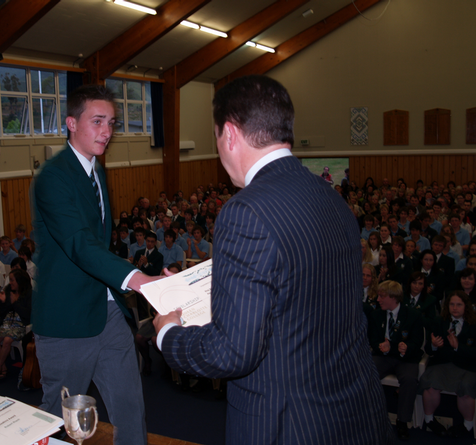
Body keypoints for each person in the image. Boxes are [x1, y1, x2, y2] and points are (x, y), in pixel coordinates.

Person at [153, 76, 393, 444]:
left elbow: (232, 353)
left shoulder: (246, 210)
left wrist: (168, 334)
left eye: (216, 138)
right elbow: (295, 293)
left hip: (290, 424)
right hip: (354, 411)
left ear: (229, 134)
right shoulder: (329, 196)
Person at [31, 84, 156, 443]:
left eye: (111, 122)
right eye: (97, 121)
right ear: (71, 123)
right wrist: (136, 279)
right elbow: (78, 244)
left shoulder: (97, 170)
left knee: (131, 407)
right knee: (59, 421)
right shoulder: (53, 177)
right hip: (67, 318)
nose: (107, 131)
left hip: (108, 311)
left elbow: (100, 243)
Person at [368, 280, 424, 440]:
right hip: (383, 357)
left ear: (394, 297)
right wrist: (381, 347)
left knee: (410, 380)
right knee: (367, 373)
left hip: (406, 359)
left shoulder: (413, 315)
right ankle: (371, 417)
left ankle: (402, 421)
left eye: (382, 296)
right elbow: (373, 339)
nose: (378, 299)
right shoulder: (376, 315)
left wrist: (405, 347)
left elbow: (417, 342)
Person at [419, 291, 476, 438]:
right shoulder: (439, 321)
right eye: (452, 304)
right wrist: (433, 345)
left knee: (467, 387)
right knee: (430, 384)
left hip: (466, 367)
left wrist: (458, 347)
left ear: (466, 307)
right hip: (441, 363)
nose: (455, 308)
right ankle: (429, 420)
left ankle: (467, 425)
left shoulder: (474, 324)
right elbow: (427, 349)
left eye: (459, 305)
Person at [0, 269, 32, 379]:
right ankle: (3, 367)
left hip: (21, 324)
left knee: (7, 340)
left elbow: (28, 314)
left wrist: (16, 303)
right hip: (7, 322)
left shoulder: (29, 293)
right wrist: (4, 303)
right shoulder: (8, 290)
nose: (10, 283)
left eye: (12, 280)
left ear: (20, 281)